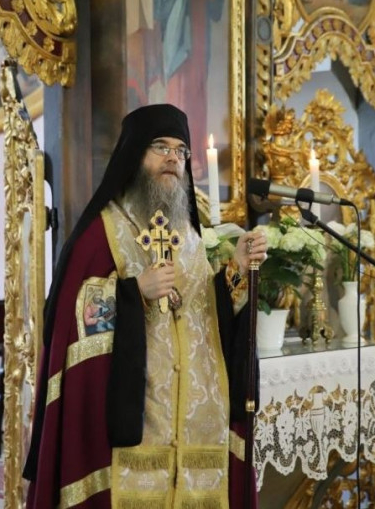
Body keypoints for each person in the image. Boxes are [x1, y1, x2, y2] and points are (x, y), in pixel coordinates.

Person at [23, 104, 267, 508]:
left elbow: (205, 314)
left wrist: (236, 269)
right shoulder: (102, 231)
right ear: (135, 153)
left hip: (194, 425)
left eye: (181, 151)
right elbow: (68, 319)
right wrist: (134, 291)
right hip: (132, 422)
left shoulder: (189, 234)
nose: (173, 158)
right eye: (161, 147)